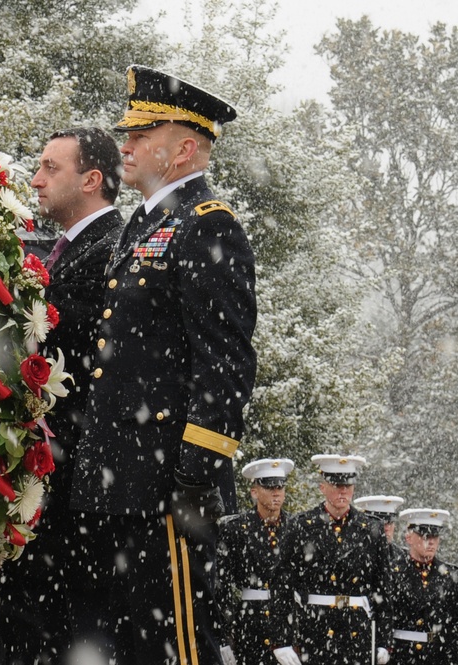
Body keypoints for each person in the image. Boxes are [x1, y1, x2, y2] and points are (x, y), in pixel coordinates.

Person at [65, 64, 257, 664]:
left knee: (174, 646)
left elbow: (224, 365)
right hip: (116, 480)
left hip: (166, 485)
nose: (128, 143)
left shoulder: (207, 226)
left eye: (145, 133)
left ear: (185, 148)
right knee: (123, 646)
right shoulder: (145, 226)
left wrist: (194, 474)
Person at [0, 127, 123, 665]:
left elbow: (53, 341)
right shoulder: (68, 250)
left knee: (58, 638)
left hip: (70, 490)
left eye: (50, 168)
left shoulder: (111, 252)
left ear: (91, 180)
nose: (36, 180)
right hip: (46, 480)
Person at [269, 454, 393, 665]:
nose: (342, 490)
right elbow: (282, 584)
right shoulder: (301, 526)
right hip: (315, 626)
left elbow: (382, 586)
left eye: (347, 484)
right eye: (335, 484)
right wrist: (281, 640)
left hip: (357, 629)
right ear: (322, 487)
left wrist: (384, 639)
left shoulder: (372, 529)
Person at [216, 458, 294, 665]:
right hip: (251, 624)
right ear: (255, 492)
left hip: (290, 621)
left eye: (280, 487)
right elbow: (221, 587)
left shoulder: (297, 528)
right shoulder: (235, 529)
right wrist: (223, 637)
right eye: (269, 487)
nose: (276, 493)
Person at [387, 508, 458, 663]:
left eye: (434, 536)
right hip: (401, 654)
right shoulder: (392, 573)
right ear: (409, 537)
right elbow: (383, 616)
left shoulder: (451, 576)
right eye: (424, 535)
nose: (430, 541)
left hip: (438, 655)